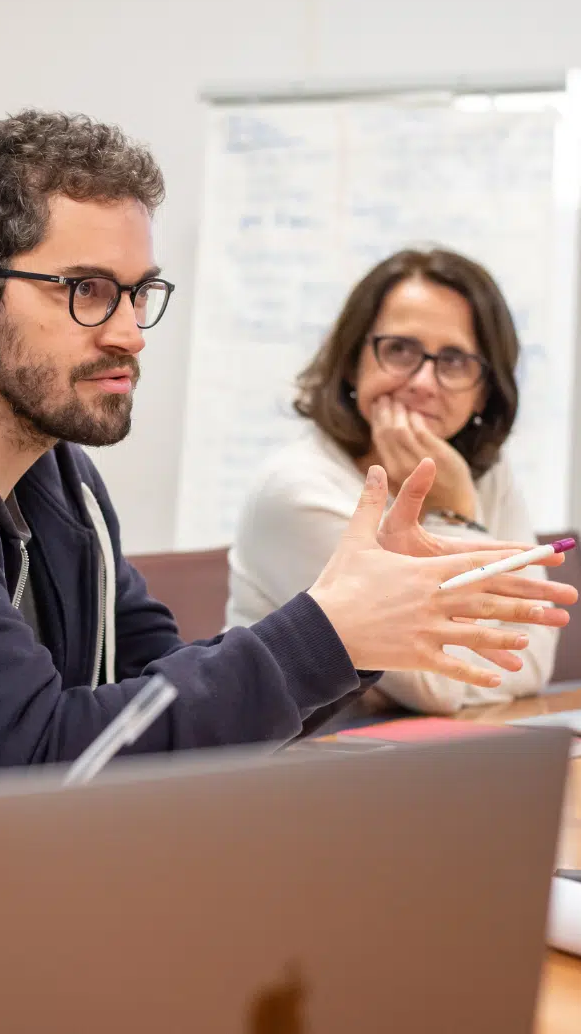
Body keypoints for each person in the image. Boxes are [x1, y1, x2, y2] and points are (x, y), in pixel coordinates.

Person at [0, 113, 574, 841]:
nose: (131, 332)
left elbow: (159, 709)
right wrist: (329, 633)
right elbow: (30, 759)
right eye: (88, 291)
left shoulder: (54, 470)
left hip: (12, 906)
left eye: (141, 293)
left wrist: (357, 638)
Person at [228, 248, 561, 715]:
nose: (424, 381)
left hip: (429, 759)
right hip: (304, 769)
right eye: (400, 350)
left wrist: (411, 686)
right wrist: (452, 514)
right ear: (352, 361)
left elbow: (530, 663)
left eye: (455, 360)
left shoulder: (485, 474)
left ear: (485, 391)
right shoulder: (297, 490)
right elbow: (443, 685)